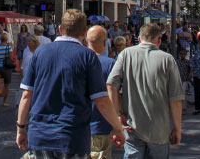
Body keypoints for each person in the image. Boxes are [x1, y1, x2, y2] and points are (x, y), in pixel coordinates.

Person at [18, 10, 125, 157]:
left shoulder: (40, 53)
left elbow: (26, 95)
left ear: (60, 29)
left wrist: (21, 128)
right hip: (72, 136)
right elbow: (101, 100)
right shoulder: (87, 56)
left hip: (40, 135)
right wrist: (117, 128)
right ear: (84, 31)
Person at [107, 22, 181, 157]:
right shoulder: (168, 59)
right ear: (159, 40)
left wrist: (117, 115)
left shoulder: (126, 54)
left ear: (139, 39)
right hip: (159, 130)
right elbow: (175, 99)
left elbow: (111, 85)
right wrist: (177, 128)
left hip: (132, 126)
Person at [86, 25, 117, 159]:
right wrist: (117, 122)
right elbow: (113, 93)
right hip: (101, 125)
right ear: (105, 43)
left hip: (76, 125)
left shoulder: (76, 61)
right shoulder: (110, 64)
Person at [176, 48, 191, 115]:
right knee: (179, 94)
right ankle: (179, 108)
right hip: (178, 79)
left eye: (184, 54)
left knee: (183, 93)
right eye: (181, 54)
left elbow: (190, 69)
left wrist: (190, 75)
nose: (182, 55)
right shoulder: (177, 62)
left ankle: (184, 108)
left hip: (185, 79)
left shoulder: (187, 62)